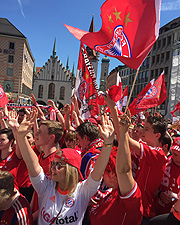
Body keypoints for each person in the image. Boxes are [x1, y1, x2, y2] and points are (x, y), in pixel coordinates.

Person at [16, 109, 114, 225]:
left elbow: (98, 171)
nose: (53, 168)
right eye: (53, 164)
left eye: (58, 165)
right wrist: (21, 137)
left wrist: (108, 143)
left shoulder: (82, 191)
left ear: (71, 169)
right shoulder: (46, 186)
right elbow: (33, 164)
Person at [89, 110, 143, 225]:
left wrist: (123, 133)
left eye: (104, 171)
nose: (102, 175)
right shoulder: (110, 193)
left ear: (113, 175)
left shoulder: (129, 200)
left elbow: (124, 171)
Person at [154, 136, 180, 216]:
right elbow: (149, 187)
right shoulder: (163, 163)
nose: (179, 158)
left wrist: (176, 197)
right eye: (175, 154)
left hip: (175, 217)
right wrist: (159, 194)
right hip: (156, 212)